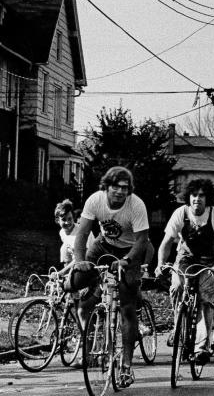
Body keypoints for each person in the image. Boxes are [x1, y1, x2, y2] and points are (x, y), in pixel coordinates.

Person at [67, 166, 154, 388]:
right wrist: (79, 260)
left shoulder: (136, 205)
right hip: (103, 245)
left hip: (131, 250)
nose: (120, 192)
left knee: (126, 304)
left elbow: (142, 240)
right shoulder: (95, 200)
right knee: (76, 281)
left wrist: (127, 261)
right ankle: (96, 292)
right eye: (115, 187)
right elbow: (83, 233)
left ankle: (126, 365)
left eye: (125, 188)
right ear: (107, 186)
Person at [155, 178, 214, 363]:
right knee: (177, 286)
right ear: (189, 197)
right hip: (186, 257)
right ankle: (178, 326)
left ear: (207, 198)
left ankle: (201, 347)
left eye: (201, 196)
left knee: (206, 299)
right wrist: (161, 264)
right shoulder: (180, 213)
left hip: (208, 260)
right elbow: (166, 243)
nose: (197, 199)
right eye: (194, 195)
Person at [55, 199, 93, 266]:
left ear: (73, 218)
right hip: (76, 262)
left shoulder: (81, 232)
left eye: (70, 219)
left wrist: (61, 272)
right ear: (57, 220)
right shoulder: (62, 232)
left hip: (89, 261)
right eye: (63, 219)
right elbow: (69, 253)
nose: (67, 222)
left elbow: (81, 258)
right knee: (64, 248)